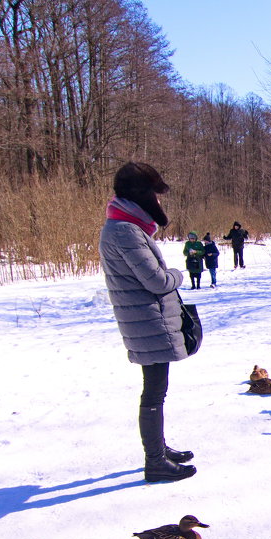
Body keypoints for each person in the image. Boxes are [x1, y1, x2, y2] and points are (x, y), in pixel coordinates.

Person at [99, 162, 197, 483]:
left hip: (146, 320)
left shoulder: (124, 226)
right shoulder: (125, 231)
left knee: (157, 391)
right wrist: (178, 275)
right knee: (154, 393)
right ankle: (155, 461)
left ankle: (160, 450)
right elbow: (156, 281)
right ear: (141, 195)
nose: (159, 201)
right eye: (155, 194)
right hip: (147, 322)